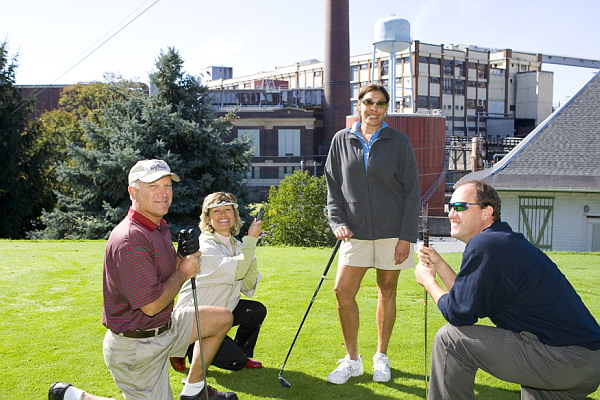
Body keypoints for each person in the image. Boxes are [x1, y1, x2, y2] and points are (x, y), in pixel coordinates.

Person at [49, 159, 237, 400]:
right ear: (133, 192)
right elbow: (151, 305)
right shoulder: (130, 239)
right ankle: (74, 396)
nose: (163, 193)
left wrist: (180, 259)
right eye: (153, 186)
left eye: (167, 185)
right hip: (137, 346)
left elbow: (162, 277)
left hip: (165, 327)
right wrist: (183, 272)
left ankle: (193, 391)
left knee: (221, 318)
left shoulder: (157, 226)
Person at [415, 179, 600, 399]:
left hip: (561, 359)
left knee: (450, 340)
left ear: (487, 212)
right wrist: (439, 263)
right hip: (584, 361)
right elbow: (465, 299)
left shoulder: (485, 245)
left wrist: (429, 282)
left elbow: (458, 314)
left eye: (460, 206)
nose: (451, 214)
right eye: (450, 207)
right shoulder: (502, 242)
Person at [324, 83, 420, 384]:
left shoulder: (399, 141)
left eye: (380, 103)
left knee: (387, 289)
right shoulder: (341, 140)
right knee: (342, 291)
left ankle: (381, 356)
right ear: (360, 105)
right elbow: (333, 186)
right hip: (355, 232)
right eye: (369, 102)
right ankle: (352, 360)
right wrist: (337, 221)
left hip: (393, 231)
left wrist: (406, 236)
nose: (374, 108)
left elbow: (412, 191)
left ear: (386, 108)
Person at [170, 192, 266, 372]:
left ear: (234, 215)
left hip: (222, 311)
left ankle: (243, 354)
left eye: (228, 210)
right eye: (216, 211)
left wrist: (249, 258)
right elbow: (238, 271)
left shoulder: (239, 246)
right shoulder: (204, 247)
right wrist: (251, 241)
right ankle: (188, 346)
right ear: (208, 218)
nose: (223, 215)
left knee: (256, 311)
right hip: (195, 317)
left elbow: (247, 287)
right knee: (234, 363)